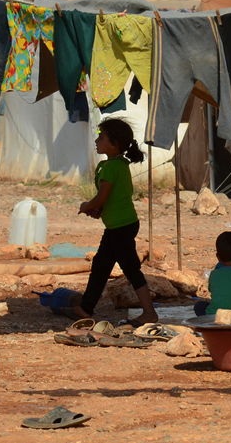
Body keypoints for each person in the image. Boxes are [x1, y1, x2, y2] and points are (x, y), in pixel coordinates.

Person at [74, 119, 158, 326]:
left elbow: (102, 197)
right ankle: (86, 307)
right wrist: (99, 210)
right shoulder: (118, 165)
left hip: (121, 227)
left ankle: (149, 313)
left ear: (115, 144)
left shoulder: (111, 167)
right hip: (119, 225)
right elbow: (113, 198)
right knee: (101, 265)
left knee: (130, 269)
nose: (96, 140)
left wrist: (87, 206)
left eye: (101, 137)